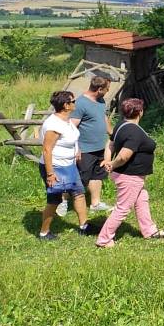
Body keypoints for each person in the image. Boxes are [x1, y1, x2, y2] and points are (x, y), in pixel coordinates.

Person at [96, 98, 164, 248]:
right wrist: (113, 163)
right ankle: (103, 240)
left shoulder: (121, 125)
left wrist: (108, 160)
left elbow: (111, 143)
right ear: (140, 112)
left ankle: (149, 231)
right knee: (122, 208)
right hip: (130, 176)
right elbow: (124, 156)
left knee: (142, 199)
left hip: (131, 176)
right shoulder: (133, 131)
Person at [38, 91, 95, 240]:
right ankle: (44, 232)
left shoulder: (66, 120)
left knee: (78, 193)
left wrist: (77, 150)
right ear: (66, 105)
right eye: (73, 101)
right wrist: (50, 174)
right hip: (55, 167)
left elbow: (72, 137)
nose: (75, 103)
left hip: (69, 165)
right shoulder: (53, 124)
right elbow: (46, 149)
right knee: (55, 199)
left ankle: (84, 226)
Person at [58, 76, 114, 217]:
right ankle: (63, 202)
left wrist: (112, 134)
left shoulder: (101, 101)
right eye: (107, 88)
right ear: (99, 89)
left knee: (98, 175)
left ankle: (95, 203)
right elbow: (72, 127)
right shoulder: (81, 103)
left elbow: (104, 118)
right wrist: (76, 148)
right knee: (75, 176)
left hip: (100, 147)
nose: (108, 91)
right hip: (85, 149)